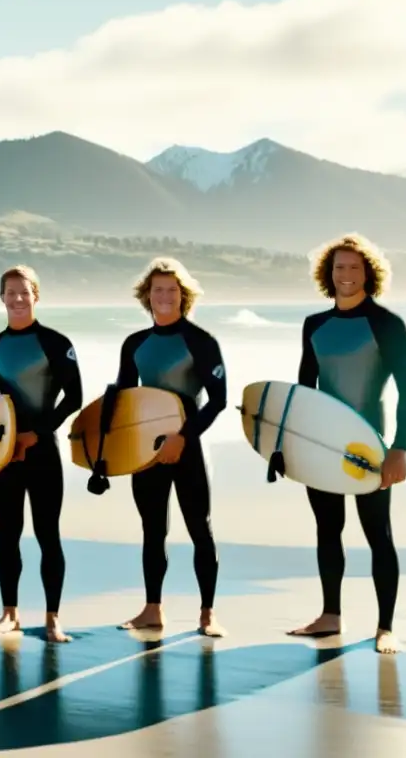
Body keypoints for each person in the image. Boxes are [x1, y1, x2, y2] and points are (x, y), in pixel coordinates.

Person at [289, 234, 406, 655]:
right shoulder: (314, 325)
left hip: (371, 446)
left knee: (378, 533)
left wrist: (399, 448)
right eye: (339, 267)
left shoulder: (387, 324)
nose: (346, 275)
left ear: (369, 274)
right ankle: (330, 615)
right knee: (328, 529)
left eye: (354, 267)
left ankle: (385, 626)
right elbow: (304, 391)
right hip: (322, 444)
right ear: (328, 273)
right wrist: (288, 444)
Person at [0, 265, 83, 643]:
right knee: (8, 535)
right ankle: (9, 614)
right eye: (10, 292)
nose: (17, 298)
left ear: (36, 295)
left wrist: (36, 434)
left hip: (43, 450)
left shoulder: (54, 342)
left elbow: (75, 398)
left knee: (48, 534)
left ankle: (53, 618)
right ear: (1, 297)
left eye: (24, 291)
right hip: (4, 455)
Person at [112, 257, 227, 637]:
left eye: (172, 290)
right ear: (147, 296)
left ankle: (207, 613)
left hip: (187, 446)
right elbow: (125, 398)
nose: (164, 296)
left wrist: (183, 437)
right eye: (157, 290)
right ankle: (152, 609)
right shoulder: (135, 344)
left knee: (200, 529)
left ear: (184, 295)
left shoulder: (201, 341)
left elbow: (217, 399)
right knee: (152, 530)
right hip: (146, 451)